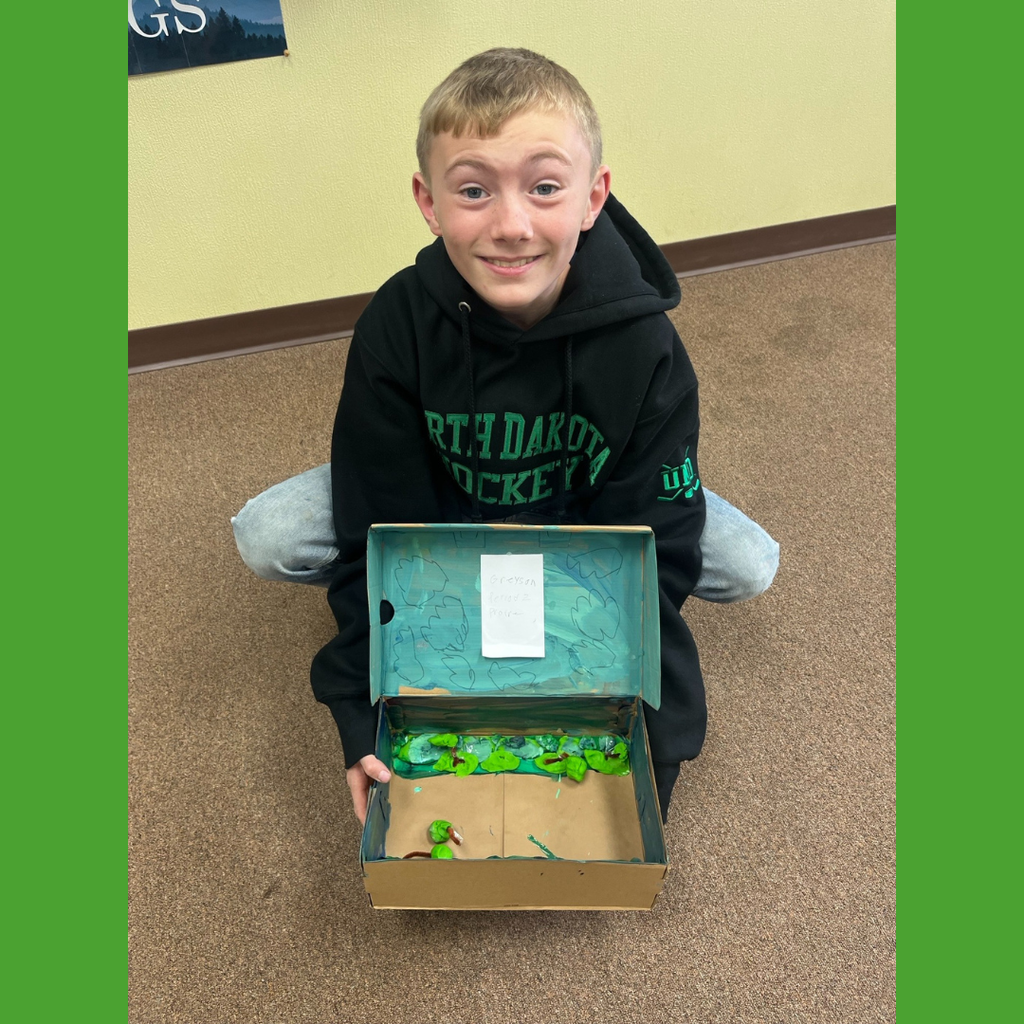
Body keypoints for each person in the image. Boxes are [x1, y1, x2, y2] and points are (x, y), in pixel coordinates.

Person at [232, 48, 779, 825]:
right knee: (270, 534)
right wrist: (364, 702)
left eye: (545, 187)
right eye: (474, 190)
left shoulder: (645, 345)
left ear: (594, 198)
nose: (511, 225)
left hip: (590, 498)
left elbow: (657, 550)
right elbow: (378, 530)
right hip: (439, 489)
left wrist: (642, 728)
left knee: (745, 563)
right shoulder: (395, 323)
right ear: (429, 200)